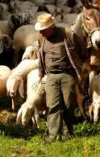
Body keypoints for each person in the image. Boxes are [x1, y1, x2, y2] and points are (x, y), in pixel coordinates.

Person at [35, 13, 89, 142]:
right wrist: (41, 69)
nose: (41, 32)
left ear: (51, 27)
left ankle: (68, 131)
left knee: (68, 104)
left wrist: (78, 65)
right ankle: (53, 135)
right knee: (52, 105)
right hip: (51, 75)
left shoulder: (68, 34)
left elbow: (83, 51)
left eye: (43, 30)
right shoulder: (41, 38)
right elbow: (41, 54)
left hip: (67, 74)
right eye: (40, 30)